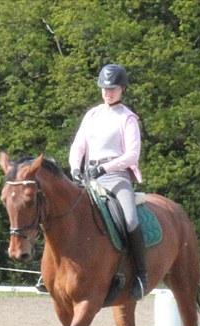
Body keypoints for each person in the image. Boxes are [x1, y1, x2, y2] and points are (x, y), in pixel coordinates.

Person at [69, 63, 148, 300]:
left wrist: (104, 167)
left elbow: (132, 155)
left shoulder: (128, 118)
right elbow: (78, 145)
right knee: (63, 213)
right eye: (105, 88)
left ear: (122, 89)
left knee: (131, 219)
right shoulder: (92, 115)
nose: (108, 92)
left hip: (116, 176)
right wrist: (74, 167)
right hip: (88, 176)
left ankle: (141, 275)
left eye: (113, 88)